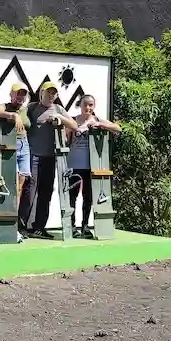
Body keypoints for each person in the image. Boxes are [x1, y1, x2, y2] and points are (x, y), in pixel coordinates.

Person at [26, 81, 78, 237]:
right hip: (32, 156)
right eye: (48, 92)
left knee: (45, 193)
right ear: (42, 92)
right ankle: (21, 226)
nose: (51, 95)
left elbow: (74, 125)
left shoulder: (58, 109)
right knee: (28, 192)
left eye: (54, 93)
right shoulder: (32, 108)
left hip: (50, 158)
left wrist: (59, 117)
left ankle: (39, 228)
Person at [67, 94, 121, 238]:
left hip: (91, 165)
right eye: (85, 104)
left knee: (88, 197)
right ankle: (72, 227)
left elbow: (118, 128)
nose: (88, 107)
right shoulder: (73, 121)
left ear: (94, 106)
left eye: (91, 105)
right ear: (80, 105)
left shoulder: (96, 120)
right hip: (73, 164)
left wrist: (101, 125)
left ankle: (85, 226)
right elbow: (64, 138)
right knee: (72, 196)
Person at [0, 83, 33, 237]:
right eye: (18, 94)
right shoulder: (5, 106)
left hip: (25, 146)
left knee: (21, 186)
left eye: (23, 94)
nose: (20, 97)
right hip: (10, 145)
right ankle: (8, 223)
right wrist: (13, 115)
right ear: (11, 94)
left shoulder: (27, 109)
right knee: (13, 185)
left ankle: (15, 224)